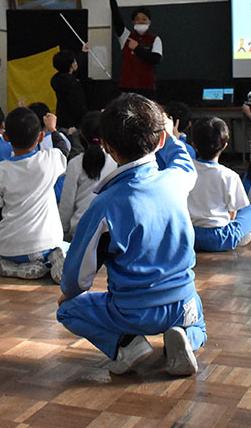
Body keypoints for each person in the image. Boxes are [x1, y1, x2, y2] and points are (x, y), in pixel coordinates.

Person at [57, 94, 205, 376]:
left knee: (67, 310)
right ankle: (187, 337)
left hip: (130, 312)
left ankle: (127, 344)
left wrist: (69, 294)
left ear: (109, 148)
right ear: (160, 140)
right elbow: (182, 158)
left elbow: (77, 277)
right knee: (197, 317)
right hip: (180, 303)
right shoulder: (177, 179)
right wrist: (171, 136)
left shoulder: (103, 205)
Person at [0, 107, 69, 282]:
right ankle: (57, 261)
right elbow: (64, 149)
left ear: (6, 137)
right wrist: (52, 128)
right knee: (72, 248)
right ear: (41, 137)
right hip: (47, 244)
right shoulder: (47, 161)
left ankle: (14, 267)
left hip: (10, 249)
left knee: (13, 255)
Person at [188, 117, 251, 251]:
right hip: (219, 238)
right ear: (224, 146)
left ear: (194, 145)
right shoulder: (230, 176)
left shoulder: (185, 170)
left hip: (189, 236)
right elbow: (232, 214)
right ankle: (237, 238)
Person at [58, 111, 116, 240]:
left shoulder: (75, 163)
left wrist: (63, 230)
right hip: (108, 230)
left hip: (79, 230)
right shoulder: (116, 160)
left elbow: (66, 203)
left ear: (82, 135)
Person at [105, 0, 162, 99]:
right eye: (137, 19)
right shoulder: (126, 36)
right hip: (127, 88)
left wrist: (137, 49)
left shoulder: (155, 39)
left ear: (149, 22)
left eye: (144, 19)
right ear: (133, 22)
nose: (140, 21)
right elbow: (117, 20)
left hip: (147, 89)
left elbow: (155, 59)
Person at [50, 49, 87, 130]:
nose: (76, 62)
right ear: (71, 65)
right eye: (74, 61)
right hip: (73, 124)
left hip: (61, 120)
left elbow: (73, 72)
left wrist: (83, 52)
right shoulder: (72, 84)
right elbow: (78, 106)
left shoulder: (58, 79)